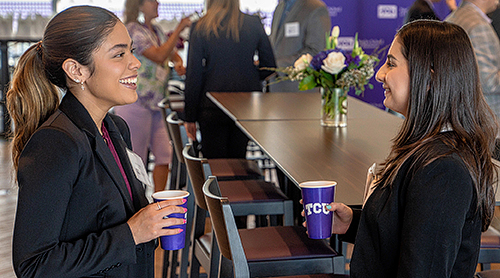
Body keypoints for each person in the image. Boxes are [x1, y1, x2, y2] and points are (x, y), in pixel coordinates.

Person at [8, 6, 186, 277]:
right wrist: (132, 233)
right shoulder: (55, 142)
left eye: (131, 51)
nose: (135, 63)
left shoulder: (114, 129)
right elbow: (33, 266)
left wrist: (148, 221)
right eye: (119, 54)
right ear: (76, 70)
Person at [318, 20, 498, 277]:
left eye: (391, 63)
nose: (380, 74)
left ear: (429, 77)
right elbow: (411, 233)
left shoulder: (444, 171)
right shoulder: (429, 150)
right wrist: (353, 222)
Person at [113, 0, 191, 192]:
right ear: (139, 5)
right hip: (136, 101)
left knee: (165, 155)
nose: (157, 3)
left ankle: (158, 201)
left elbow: (171, 54)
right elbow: (157, 55)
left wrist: (179, 62)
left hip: (158, 103)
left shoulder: (156, 29)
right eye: (152, 0)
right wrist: (180, 28)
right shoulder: (132, 29)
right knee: (134, 159)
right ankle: (137, 205)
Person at [183, 0, 276, 159]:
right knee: (239, 160)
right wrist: (250, 76)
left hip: (211, 104)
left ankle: (219, 185)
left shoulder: (200, 26)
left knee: (214, 163)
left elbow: (194, 74)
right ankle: (237, 184)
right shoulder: (253, 23)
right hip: (246, 104)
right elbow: (270, 66)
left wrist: (189, 116)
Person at [445, 0, 500, 121]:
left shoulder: (453, 18)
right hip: (488, 118)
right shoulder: (478, 26)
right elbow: (489, 83)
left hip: (463, 115)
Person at [268, 0, 331, 92]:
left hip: (301, 91)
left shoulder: (316, 7)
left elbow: (316, 52)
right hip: (277, 88)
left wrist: (275, 65)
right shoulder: (280, 7)